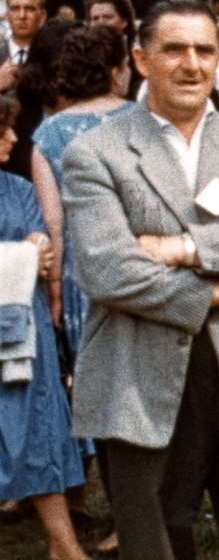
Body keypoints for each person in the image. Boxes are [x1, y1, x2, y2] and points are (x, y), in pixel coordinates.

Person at [61, 0, 219, 560]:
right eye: (174, 50)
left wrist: (183, 248)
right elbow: (108, 269)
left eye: (204, 50)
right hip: (138, 376)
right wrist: (218, 291)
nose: (191, 64)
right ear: (141, 59)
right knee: (154, 535)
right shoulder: (95, 152)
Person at [0, 94, 89, 560]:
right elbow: (27, 255)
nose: (13, 138)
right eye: (4, 130)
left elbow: (42, 246)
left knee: (39, 428)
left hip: (22, 333)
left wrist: (36, 245)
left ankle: (65, 545)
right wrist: (22, 255)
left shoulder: (17, 188)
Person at [32, 24, 134, 365]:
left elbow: (53, 222)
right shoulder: (145, 121)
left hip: (82, 270)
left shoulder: (48, 134)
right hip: (139, 258)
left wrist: (55, 290)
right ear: (115, 71)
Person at [0, 0, 48, 179]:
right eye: (15, 8)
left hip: (41, 160)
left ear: (42, 16)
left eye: (29, 9)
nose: (22, 15)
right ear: (6, 14)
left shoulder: (55, 58)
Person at [86, 0, 142, 98]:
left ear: (124, 22)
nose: (101, 23)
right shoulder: (82, 56)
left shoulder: (138, 53)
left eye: (107, 17)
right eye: (95, 19)